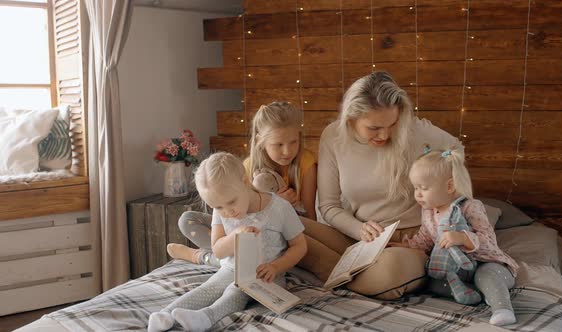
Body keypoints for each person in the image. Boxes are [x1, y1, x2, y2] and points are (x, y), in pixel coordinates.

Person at [296, 71, 464, 299]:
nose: (384, 135)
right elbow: (328, 206)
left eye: (392, 124)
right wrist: (359, 229)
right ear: (351, 118)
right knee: (286, 222)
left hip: (409, 242)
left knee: (389, 273)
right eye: (374, 128)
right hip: (358, 237)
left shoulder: (416, 131)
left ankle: (331, 269)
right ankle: (353, 273)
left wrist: (438, 217)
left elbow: (456, 150)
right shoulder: (333, 136)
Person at [147, 152, 307, 332]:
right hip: (232, 267)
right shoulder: (222, 209)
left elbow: (299, 246)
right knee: (210, 287)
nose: (227, 212)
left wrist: (276, 267)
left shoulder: (279, 208)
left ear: (245, 182)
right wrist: (235, 236)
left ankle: (207, 317)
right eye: (218, 207)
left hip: (269, 276)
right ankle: (165, 315)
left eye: (231, 202)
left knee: (236, 290)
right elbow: (218, 251)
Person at [167, 101, 317, 266]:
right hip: (241, 229)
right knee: (187, 220)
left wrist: (283, 206)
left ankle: (205, 258)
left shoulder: (306, 162)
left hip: (281, 233)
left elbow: (311, 217)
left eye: (293, 142)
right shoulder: (247, 167)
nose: (287, 151)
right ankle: (213, 257)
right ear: (261, 141)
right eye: (278, 145)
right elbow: (241, 211)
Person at [396, 148, 518, 326]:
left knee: (486, 276)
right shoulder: (429, 212)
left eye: (424, 188)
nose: (418, 194)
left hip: (485, 263)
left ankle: (503, 309)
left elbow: (488, 240)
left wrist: (462, 238)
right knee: (432, 282)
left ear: (450, 186)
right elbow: (426, 239)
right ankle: (470, 293)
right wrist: (406, 246)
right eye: (416, 188)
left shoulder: (470, 206)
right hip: (456, 270)